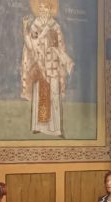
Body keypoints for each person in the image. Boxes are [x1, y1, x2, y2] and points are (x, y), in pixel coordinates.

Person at [21, 0, 74, 137]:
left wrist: (62, 59)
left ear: (50, 10)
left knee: (54, 96)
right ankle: (38, 126)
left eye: (45, 8)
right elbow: (31, 45)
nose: (43, 11)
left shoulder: (56, 26)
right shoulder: (36, 25)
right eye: (41, 8)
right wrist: (25, 28)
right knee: (40, 95)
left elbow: (61, 46)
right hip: (40, 66)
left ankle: (56, 129)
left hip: (53, 65)